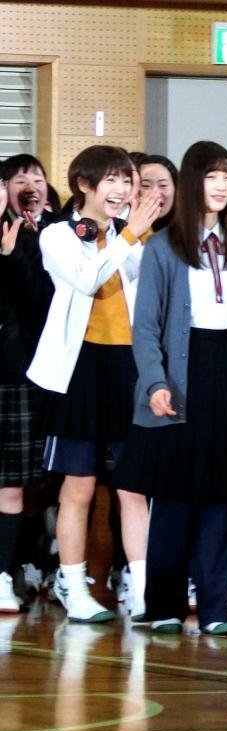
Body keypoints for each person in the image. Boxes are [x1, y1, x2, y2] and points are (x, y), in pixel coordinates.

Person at [114, 141, 227, 636]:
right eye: (211, 176)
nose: (221, 186)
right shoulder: (163, 248)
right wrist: (155, 381)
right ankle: (164, 604)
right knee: (174, 495)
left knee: (223, 496)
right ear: (192, 183)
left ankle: (216, 607)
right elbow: (145, 328)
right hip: (179, 373)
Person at [26, 145, 161, 624]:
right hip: (77, 370)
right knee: (78, 487)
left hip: (128, 365)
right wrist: (129, 235)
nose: (122, 189)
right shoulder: (57, 234)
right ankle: (72, 582)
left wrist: (134, 235)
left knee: (134, 487)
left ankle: (143, 588)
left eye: (127, 180)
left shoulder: (131, 235)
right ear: (84, 184)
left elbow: (147, 287)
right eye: (112, 180)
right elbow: (86, 279)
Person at [0, 163, 54, 613]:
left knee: (15, 483)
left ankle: (8, 572)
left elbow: (39, 300)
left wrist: (12, 254)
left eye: (37, 178)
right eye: (18, 180)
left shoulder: (36, 237)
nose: (28, 187)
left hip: (15, 372)